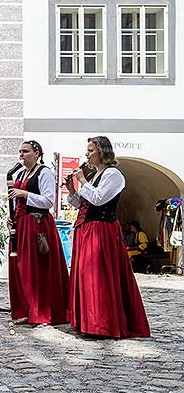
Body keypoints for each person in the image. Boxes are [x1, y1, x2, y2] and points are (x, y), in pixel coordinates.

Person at [66, 136, 150, 338]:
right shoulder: (96, 175)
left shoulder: (113, 175)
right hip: (87, 229)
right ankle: (88, 321)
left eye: (90, 150)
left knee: (99, 276)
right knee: (85, 275)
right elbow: (83, 205)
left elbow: (98, 199)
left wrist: (83, 180)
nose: (86, 154)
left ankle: (101, 324)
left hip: (101, 231)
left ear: (103, 151)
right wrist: (71, 190)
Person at [7, 140, 69, 325]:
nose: (21, 155)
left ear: (37, 153)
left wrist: (24, 195)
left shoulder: (45, 173)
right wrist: (11, 217)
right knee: (21, 268)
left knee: (37, 269)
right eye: (20, 151)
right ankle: (25, 309)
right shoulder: (20, 173)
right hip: (21, 225)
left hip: (36, 224)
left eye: (25, 151)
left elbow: (48, 201)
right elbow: (16, 201)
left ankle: (42, 310)